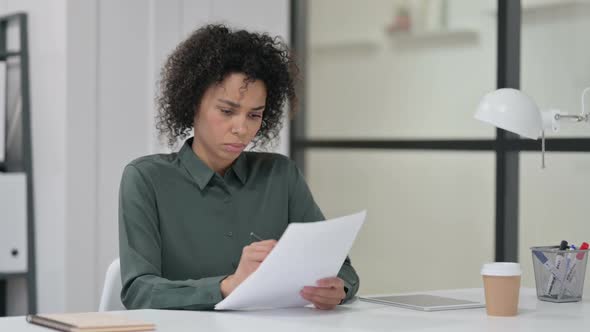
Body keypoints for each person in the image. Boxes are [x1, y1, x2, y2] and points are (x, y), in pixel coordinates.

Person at [118, 24, 359, 311]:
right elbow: (139, 291)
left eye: (254, 115)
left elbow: (343, 269)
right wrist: (227, 286)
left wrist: (338, 288)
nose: (242, 128)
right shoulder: (146, 179)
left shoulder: (280, 175)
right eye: (227, 111)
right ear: (193, 103)